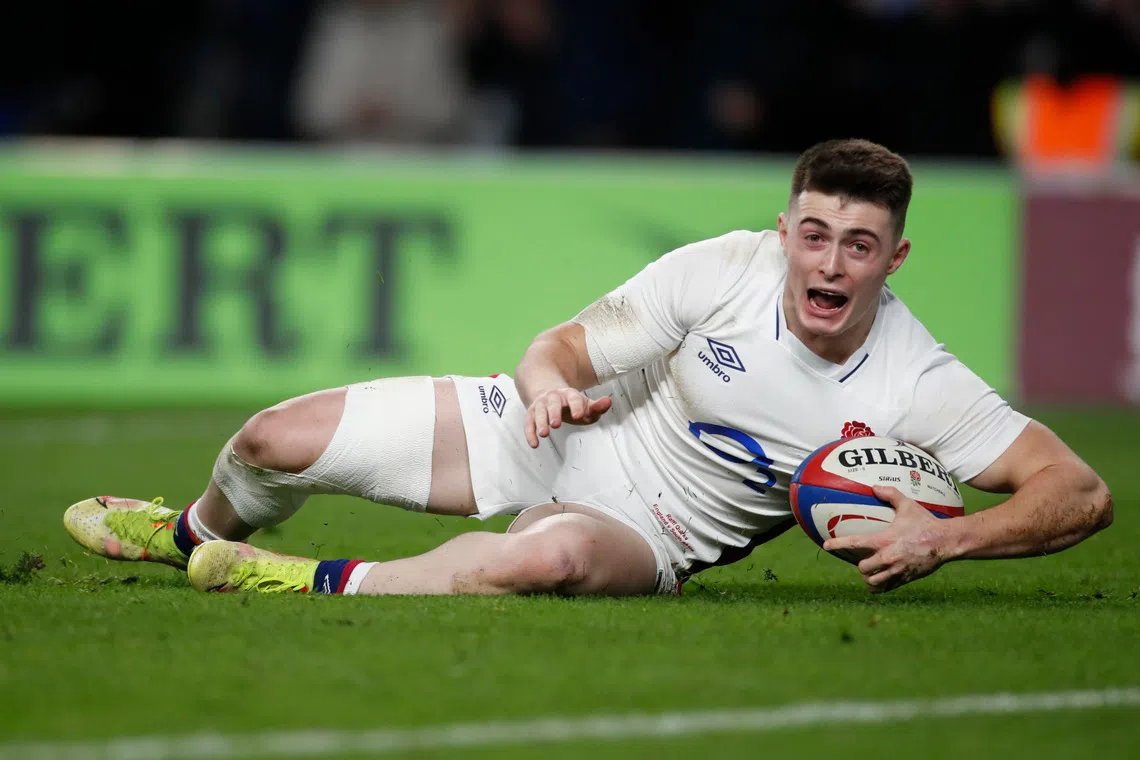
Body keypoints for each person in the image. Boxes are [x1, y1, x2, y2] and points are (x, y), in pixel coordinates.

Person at [63, 139, 1114, 597]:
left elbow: (1081, 490)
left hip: (645, 530)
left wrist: (950, 536)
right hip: (553, 434)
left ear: (895, 256)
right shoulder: (728, 268)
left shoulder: (917, 380)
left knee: (545, 562)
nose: (829, 262)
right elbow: (557, 349)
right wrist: (544, 388)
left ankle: (292, 583)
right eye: (814, 233)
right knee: (269, 437)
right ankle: (196, 534)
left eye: (858, 243)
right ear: (785, 227)